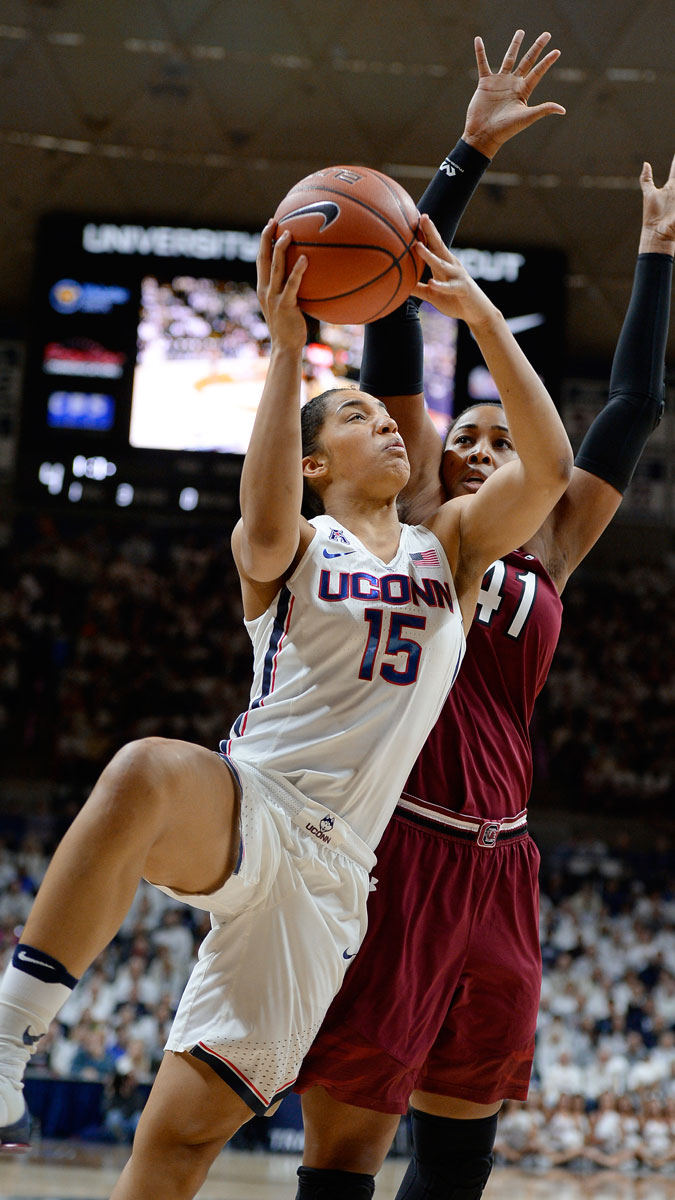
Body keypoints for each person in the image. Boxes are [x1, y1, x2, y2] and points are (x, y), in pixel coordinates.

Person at [0, 209, 573, 1195]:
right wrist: (286, 357)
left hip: (334, 880)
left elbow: (552, 469)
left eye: (388, 415)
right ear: (314, 465)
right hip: (253, 805)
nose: (386, 421)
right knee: (144, 768)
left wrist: (480, 315)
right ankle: (10, 1038)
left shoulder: (457, 549)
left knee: (176, 1143)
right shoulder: (295, 545)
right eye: (358, 417)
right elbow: (263, 510)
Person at [295, 36, 675, 1200]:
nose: (474, 446)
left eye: (497, 442)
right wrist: (462, 156)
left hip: (502, 864)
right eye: (460, 437)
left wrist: (659, 255)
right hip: (392, 840)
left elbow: (631, 406)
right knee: (344, 1154)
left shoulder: (551, 542)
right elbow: (393, 322)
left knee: (461, 1162)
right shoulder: (413, 518)